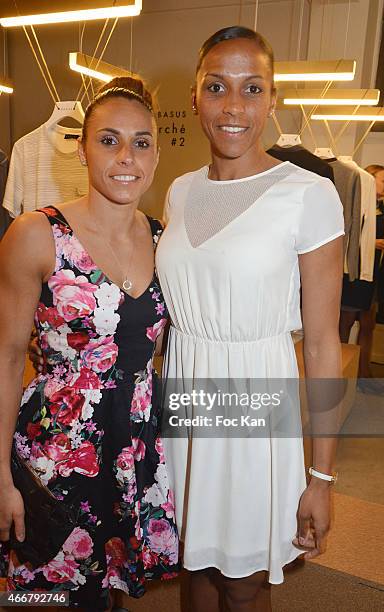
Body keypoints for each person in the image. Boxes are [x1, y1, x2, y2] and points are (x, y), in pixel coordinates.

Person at [155, 26, 344, 612]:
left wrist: (322, 477)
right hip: (184, 402)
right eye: (217, 87)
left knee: (241, 583)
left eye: (252, 88)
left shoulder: (309, 194)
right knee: (195, 571)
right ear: (194, 96)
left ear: (273, 99)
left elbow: (321, 345)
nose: (234, 106)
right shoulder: (179, 190)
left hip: (255, 409)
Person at [0, 77, 179, 610]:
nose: (127, 157)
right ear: (81, 147)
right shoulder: (36, 233)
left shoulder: (163, 238)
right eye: (109, 140)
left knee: (110, 594)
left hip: (135, 448)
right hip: (58, 449)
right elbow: (7, 359)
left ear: (156, 152)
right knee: (49, 598)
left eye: (141, 142)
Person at [339, 164, 384, 394]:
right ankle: (339, 375)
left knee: (368, 324)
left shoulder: (382, 211)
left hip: (373, 274)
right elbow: (346, 236)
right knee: (344, 324)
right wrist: (373, 243)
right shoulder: (356, 204)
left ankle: (364, 375)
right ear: (369, 180)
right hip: (354, 274)